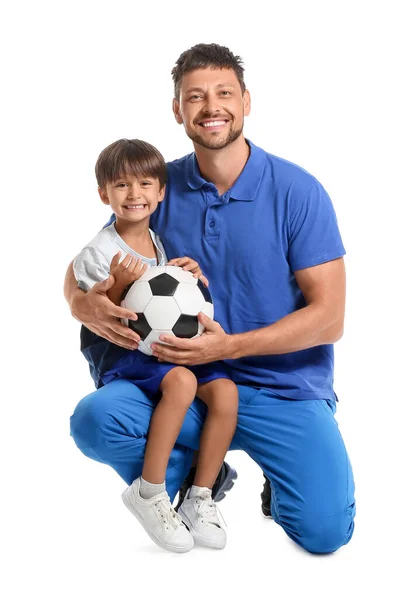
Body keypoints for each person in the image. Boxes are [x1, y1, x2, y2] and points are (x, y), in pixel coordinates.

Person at [65, 43, 356, 554]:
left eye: (224, 93)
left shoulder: (297, 191)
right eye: (194, 96)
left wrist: (230, 348)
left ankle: (278, 484)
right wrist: (77, 301)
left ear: (246, 100)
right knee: (95, 420)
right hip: (181, 382)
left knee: (325, 532)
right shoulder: (157, 185)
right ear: (177, 110)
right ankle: (202, 478)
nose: (211, 106)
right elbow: (93, 259)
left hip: (281, 388)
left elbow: (329, 318)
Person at [73, 138, 239, 552]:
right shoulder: (99, 252)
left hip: (160, 351)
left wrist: (190, 278)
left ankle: (200, 496)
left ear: (160, 192)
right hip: (123, 354)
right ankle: (149, 491)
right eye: (122, 186)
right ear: (103, 193)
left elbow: (168, 301)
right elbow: (101, 316)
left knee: (226, 392)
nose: (135, 195)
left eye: (145, 184)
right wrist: (117, 290)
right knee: (182, 383)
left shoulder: (159, 243)